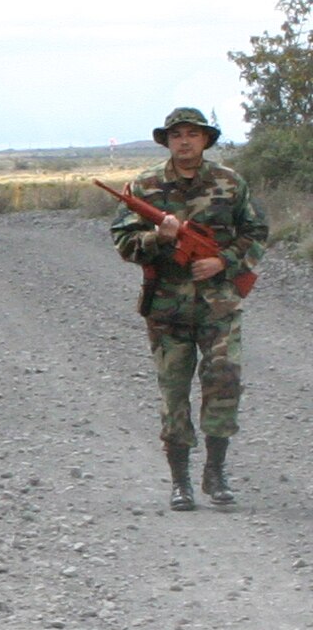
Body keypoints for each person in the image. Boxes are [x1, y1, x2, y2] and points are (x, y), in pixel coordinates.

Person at [111, 106, 267, 510]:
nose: (184, 141)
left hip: (218, 305)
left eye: (192, 134)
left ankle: (215, 473)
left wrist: (224, 262)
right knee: (174, 394)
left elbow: (256, 232)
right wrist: (159, 240)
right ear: (167, 141)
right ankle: (180, 481)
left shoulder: (230, 184)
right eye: (176, 134)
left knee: (224, 384)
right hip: (167, 309)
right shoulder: (143, 187)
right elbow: (123, 242)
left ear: (205, 140)